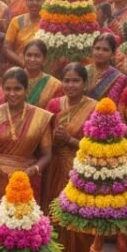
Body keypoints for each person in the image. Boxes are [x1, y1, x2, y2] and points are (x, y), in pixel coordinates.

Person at [0, 67, 52, 200]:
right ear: (3, 89)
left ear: (26, 90)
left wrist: (34, 169)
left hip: (25, 179)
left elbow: (47, 154)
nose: (12, 93)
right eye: (7, 89)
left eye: (17, 89)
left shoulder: (41, 117)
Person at [44, 63, 95, 211]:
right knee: (51, 207)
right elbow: (44, 135)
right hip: (53, 165)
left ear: (84, 83)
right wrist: (52, 138)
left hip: (80, 167)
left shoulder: (93, 108)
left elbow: (99, 148)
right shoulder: (53, 104)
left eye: (75, 81)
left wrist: (70, 140)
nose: (70, 85)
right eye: (66, 80)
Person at [3, 0, 45, 69]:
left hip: (44, 69)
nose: (34, 3)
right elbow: (6, 49)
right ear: (25, 1)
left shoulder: (49, 23)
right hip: (20, 69)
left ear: (43, 1)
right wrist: (23, 63)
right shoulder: (16, 21)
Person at [87, 34, 127, 101]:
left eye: (105, 50)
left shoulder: (119, 78)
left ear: (113, 54)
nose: (100, 52)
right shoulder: (83, 71)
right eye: (97, 48)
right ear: (92, 50)